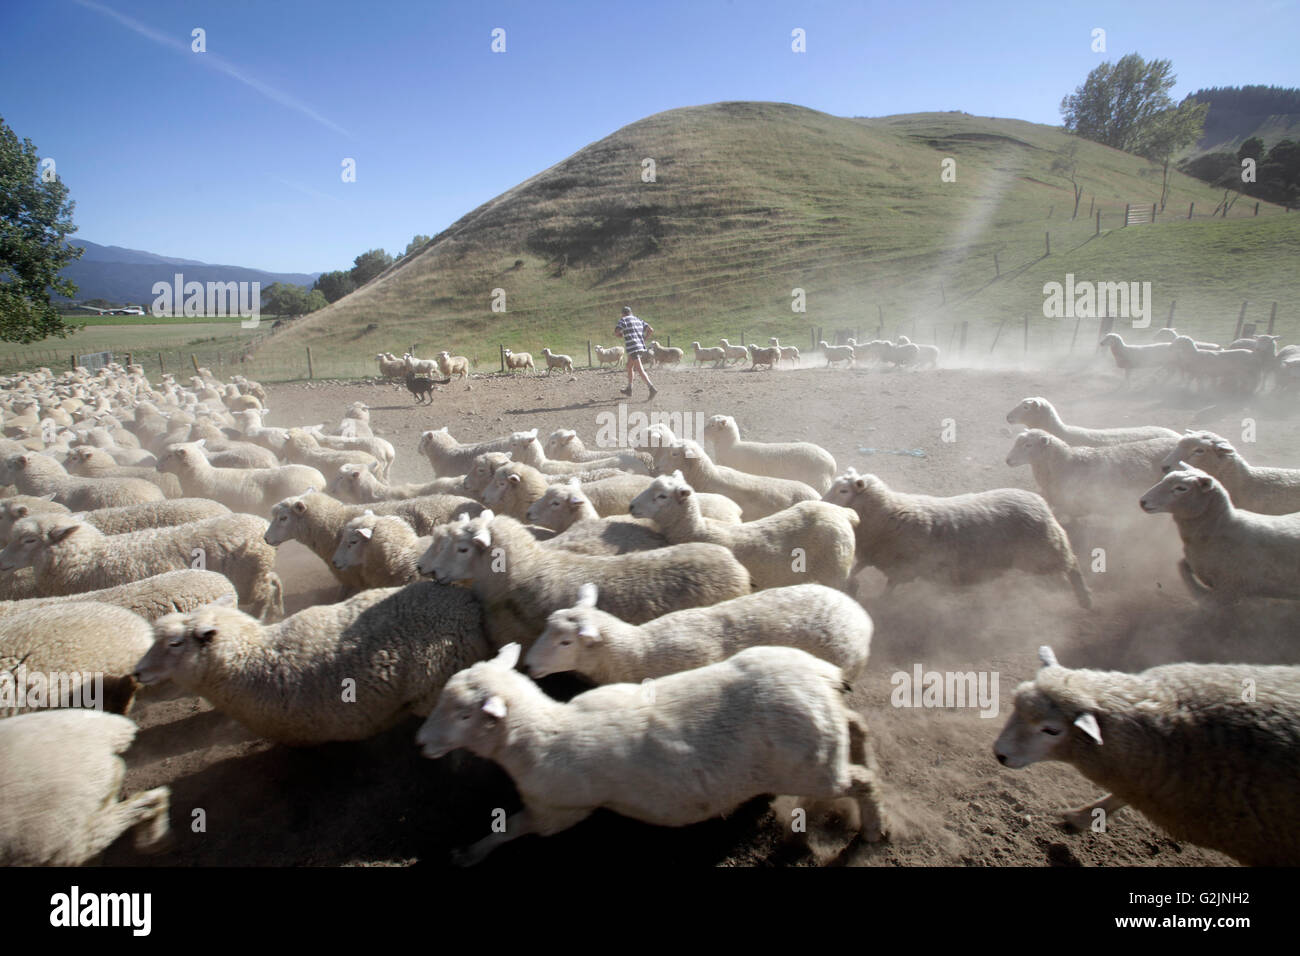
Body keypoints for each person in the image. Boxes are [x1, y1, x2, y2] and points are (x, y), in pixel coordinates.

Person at [614, 305, 657, 398]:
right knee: (629, 366)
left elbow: (616, 332)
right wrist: (644, 339)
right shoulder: (638, 320)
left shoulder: (623, 320)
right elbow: (650, 330)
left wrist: (620, 335)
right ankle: (629, 388)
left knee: (640, 369)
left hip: (632, 347)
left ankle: (651, 388)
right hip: (640, 346)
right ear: (631, 312)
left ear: (622, 314)